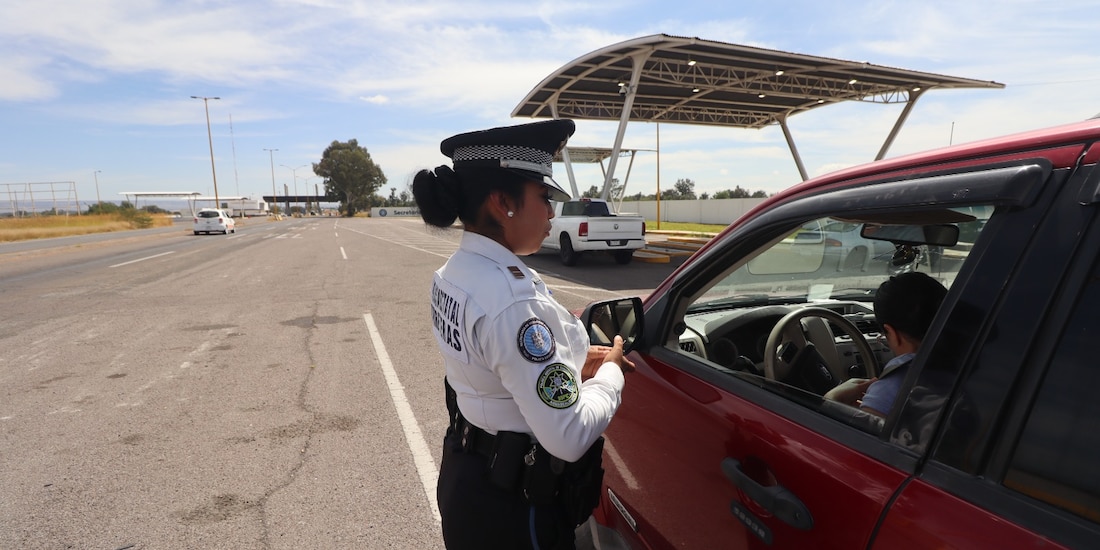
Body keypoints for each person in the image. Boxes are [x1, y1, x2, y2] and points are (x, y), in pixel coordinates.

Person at [412, 119, 635, 550]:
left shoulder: (455, 273)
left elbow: (494, 367)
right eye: (544, 196)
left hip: (468, 476)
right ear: (502, 202)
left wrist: (575, 361)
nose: (552, 212)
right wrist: (610, 372)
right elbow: (567, 436)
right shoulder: (512, 300)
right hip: (515, 511)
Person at [826, 271, 948, 417]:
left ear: (892, 333)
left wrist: (831, 401)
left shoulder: (890, 390)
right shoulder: (973, 362)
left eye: (885, 335)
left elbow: (858, 437)